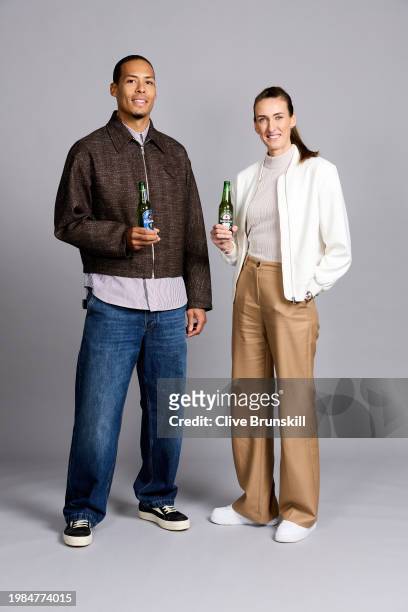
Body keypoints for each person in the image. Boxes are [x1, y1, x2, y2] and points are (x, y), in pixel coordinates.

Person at [54, 54, 212, 547]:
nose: (140, 90)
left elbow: (191, 229)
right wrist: (123, 236)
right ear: (114, 89)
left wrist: (198, 299)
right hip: (113, 304)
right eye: (131, 82)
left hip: (169, 304)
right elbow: (69, 222)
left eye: (149, 82)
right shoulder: (90, 150)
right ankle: (82, 509)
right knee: (98, 414)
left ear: (155, 91)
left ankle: (158, 496)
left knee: (167, 412)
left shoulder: (175, 153)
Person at [210, 86, 351, 543]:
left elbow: (340, 249)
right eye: (260, 119)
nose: (269, 126)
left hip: (291, 295)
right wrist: (229, 246)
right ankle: (255, 504)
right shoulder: (247, 175)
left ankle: (299, 510)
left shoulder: (318, 172)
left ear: (292, 118)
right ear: (254, 125)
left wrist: (306, 288)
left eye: (277, 117)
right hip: (248, 287)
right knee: (248, 398)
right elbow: (247, 244)